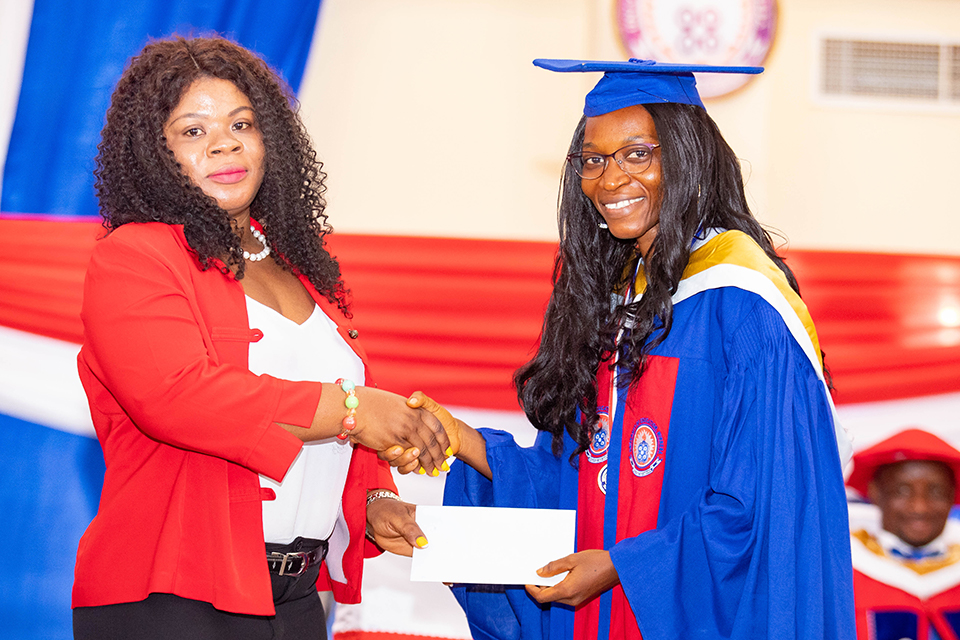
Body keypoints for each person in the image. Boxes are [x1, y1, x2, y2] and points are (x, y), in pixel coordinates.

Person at [387, 59, 856, 639]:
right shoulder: (620, 301)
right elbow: (585, 479)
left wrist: (617, 565)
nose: (610, 181)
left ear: (688, 157)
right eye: (593, 160)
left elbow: (759, 508)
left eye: (638, 153)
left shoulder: (744, 302)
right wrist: (462, 440)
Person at [71, 36, 450, 640]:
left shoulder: (302, 265)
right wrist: (353, 411)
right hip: (173, 599)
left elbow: (339, 419)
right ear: (154, 151)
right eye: (193, 131)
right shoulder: (137, 256)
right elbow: (181, 396)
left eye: (241, 123)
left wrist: (373, 503)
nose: (224, 142)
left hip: (296, 601)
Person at [846, 428, 960, 640]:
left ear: (953, 494)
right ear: (875, 492)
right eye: (902, 491)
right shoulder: (845, 571)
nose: (920, 508)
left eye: (936, 492)